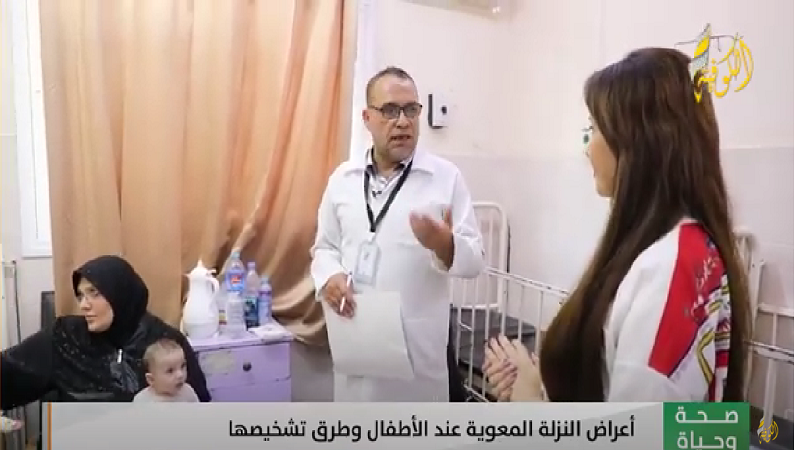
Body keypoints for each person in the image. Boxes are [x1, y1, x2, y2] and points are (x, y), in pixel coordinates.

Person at [484, 47, 751, 402]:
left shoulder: (672, 267)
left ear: (639, 140)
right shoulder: (667, 249)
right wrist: (542, 388)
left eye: (593, 128)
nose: (587, 148)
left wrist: (530, 403)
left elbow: (638, 428)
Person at [311, 66, 485, 402]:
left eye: (411, 110)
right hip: (358, 347)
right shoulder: (343, 180)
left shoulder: (445, 178)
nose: (403, 121)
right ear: (367, 118)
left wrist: (445, 246)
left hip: (417, 357)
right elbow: (324, 248)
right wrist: (330, 276)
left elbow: (475, 260)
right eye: (390, 110)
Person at [0, 255, 211, 407]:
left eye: (94, 293)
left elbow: (201, 415)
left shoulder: (166, 342)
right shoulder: (64, 337)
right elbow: (9, 373)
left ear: (120, 294)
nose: (84, 305)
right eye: (81, 296)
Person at [133, 338, 199, 402]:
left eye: (182, 366)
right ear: (151, 379)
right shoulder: (142, 400)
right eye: (170, 371)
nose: (180, 375)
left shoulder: (188, 393)